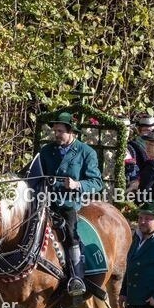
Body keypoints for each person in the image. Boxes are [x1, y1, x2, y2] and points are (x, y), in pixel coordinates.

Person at [38, 111, 105, 297]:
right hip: (45, 199)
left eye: (60, 131)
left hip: (70, 202)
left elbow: (97, 183)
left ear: (71, 132)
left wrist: (77, 184)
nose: (56, 134)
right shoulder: (46, 151)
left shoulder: (86, 152)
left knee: (70, 232)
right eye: (55, 131)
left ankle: (77, 277)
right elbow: (35, 174)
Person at [125, 112, 154, 184]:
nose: (149, 134)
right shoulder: (132, 147)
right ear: (139, 131)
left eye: (152, 131)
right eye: (146, 130)